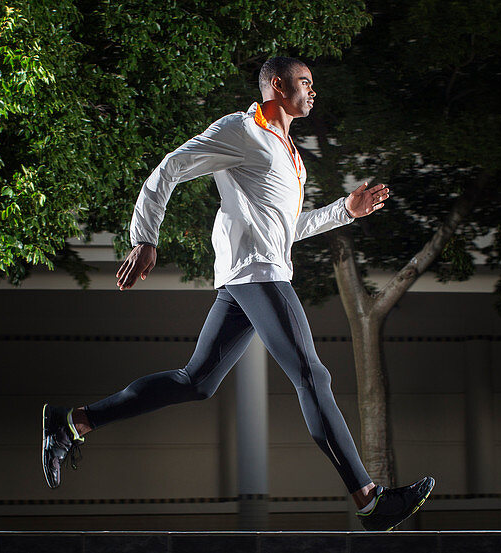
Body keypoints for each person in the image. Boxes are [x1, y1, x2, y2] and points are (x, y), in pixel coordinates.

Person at [42, 56, 434, 531]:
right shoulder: (240, 130)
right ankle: (370, 501)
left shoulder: (290, 153)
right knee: (312, 375)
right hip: (258, 275)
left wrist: (344, 212)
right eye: (304, 83)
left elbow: (285, 230)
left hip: (254, 271)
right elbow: (168, 169)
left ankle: (72, 423)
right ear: (276, 84)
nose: (313, 91)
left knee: (197, 381)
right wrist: (145, 238)